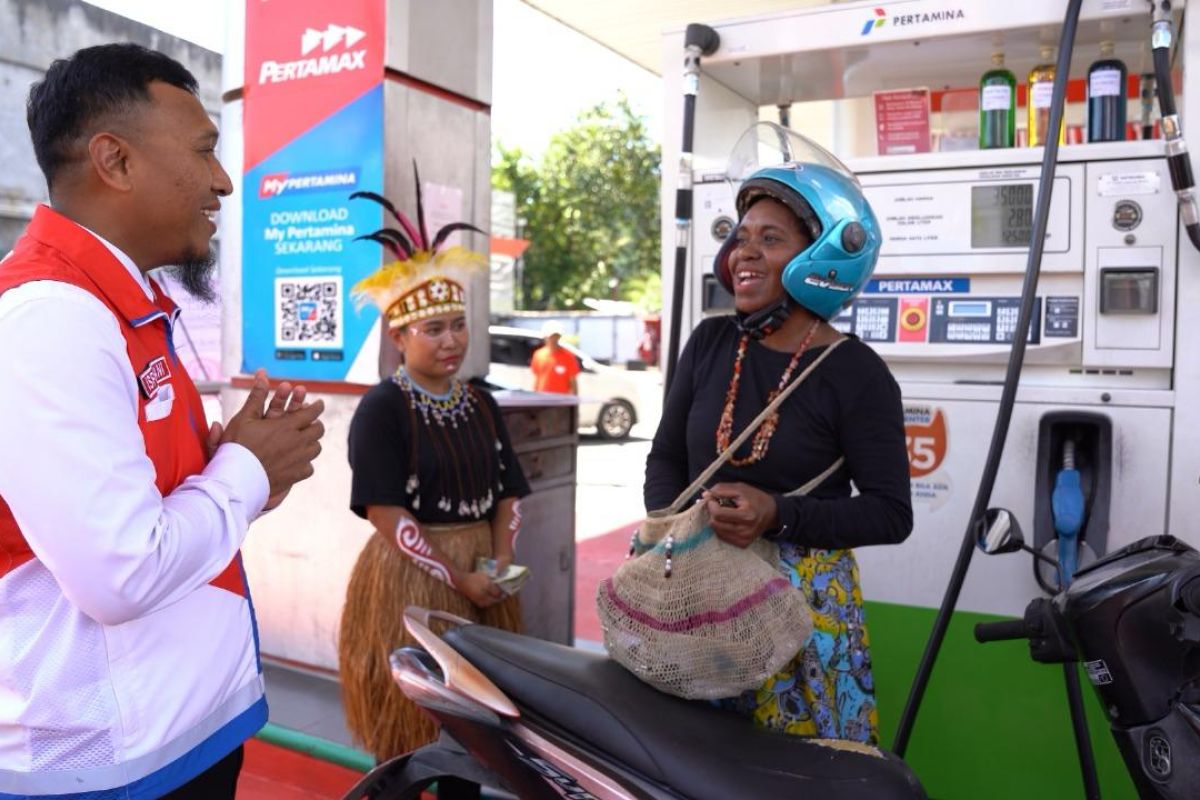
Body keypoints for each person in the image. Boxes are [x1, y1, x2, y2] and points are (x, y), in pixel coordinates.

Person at [0, 44, 325, 799]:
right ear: (114, 160)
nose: (223, 181)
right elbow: (121, 574)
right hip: (107, 765)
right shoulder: (52, 318)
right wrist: (244, 471)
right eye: (205, 150)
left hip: (173, 736)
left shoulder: (116, 301)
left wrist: (237, 470)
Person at [643, 154, 913, 745]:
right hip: (699, 595)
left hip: (802, 619)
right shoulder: (709, 342)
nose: (745, 253)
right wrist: (674, 530)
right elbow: (665, 458)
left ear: (822, 259)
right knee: (688, 764)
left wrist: (778, 514)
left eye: (771, 239)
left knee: (795, 773)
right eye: (742, 238)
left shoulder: (857, 373)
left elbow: (891, 513)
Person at [337, 187, 531, 781]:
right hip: (411, 583)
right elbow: (385, 512)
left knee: (473, 739)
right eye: (433, 329)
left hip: (483, 579)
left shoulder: (481, 403)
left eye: (458, 326)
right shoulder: (382, 408)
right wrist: (458, 578)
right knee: (405, 732)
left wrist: (499, 563)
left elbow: (508, 493)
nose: (451, 341)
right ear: (399, 336)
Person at [529, 319, 580, 394]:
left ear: (559, 336)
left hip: (561, 399)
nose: (553, 339)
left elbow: (573, 381)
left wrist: (574, 399)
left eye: (556, 336)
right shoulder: (538, 355)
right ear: (545, 336)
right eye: (550, 336)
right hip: (542, 397)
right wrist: (534, 396)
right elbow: (537, 378)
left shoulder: (568, 356)